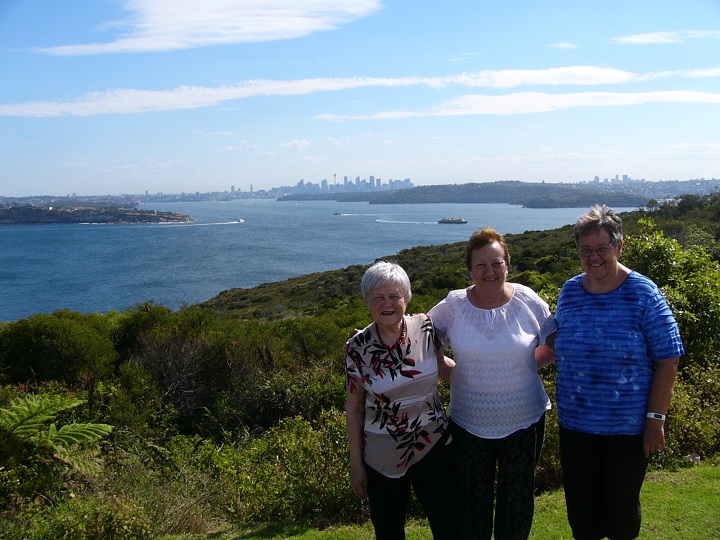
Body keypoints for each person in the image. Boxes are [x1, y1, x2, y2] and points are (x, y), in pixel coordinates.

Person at [546, 205, 684, 540]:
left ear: (619, 248)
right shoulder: (570, 291)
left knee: (619, 516)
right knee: (582, 517)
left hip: (627, 431)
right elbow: (554, 342)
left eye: (601, 249)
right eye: (585, 251)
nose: (593, 257)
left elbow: (669, 359)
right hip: (576, 428)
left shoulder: (644, 293)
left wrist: (656, 420)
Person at [428, 227, 554, 540]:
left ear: (507, 264)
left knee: (517, 500)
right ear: (470, 269)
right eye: (481, 265)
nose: (489, 271)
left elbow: (553, 343)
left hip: (524, 421)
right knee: (473, 503)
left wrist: (522, 366)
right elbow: (421, 338)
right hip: (468, 422)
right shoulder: (454, 305)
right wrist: (450, 371)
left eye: (497, 263)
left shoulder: (527, 300)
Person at [344, 261, 457, 540]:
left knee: (450, 525)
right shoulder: (357, 348)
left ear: (406, 298)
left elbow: (444, 368)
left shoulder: (426, 329)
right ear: (367, 301)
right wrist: (356, 463)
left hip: (434, 444)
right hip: (382, 454)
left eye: (394, 296)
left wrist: (494, 378)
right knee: (389, 531)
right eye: (378, 297)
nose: (387, 304)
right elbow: (355, 407)